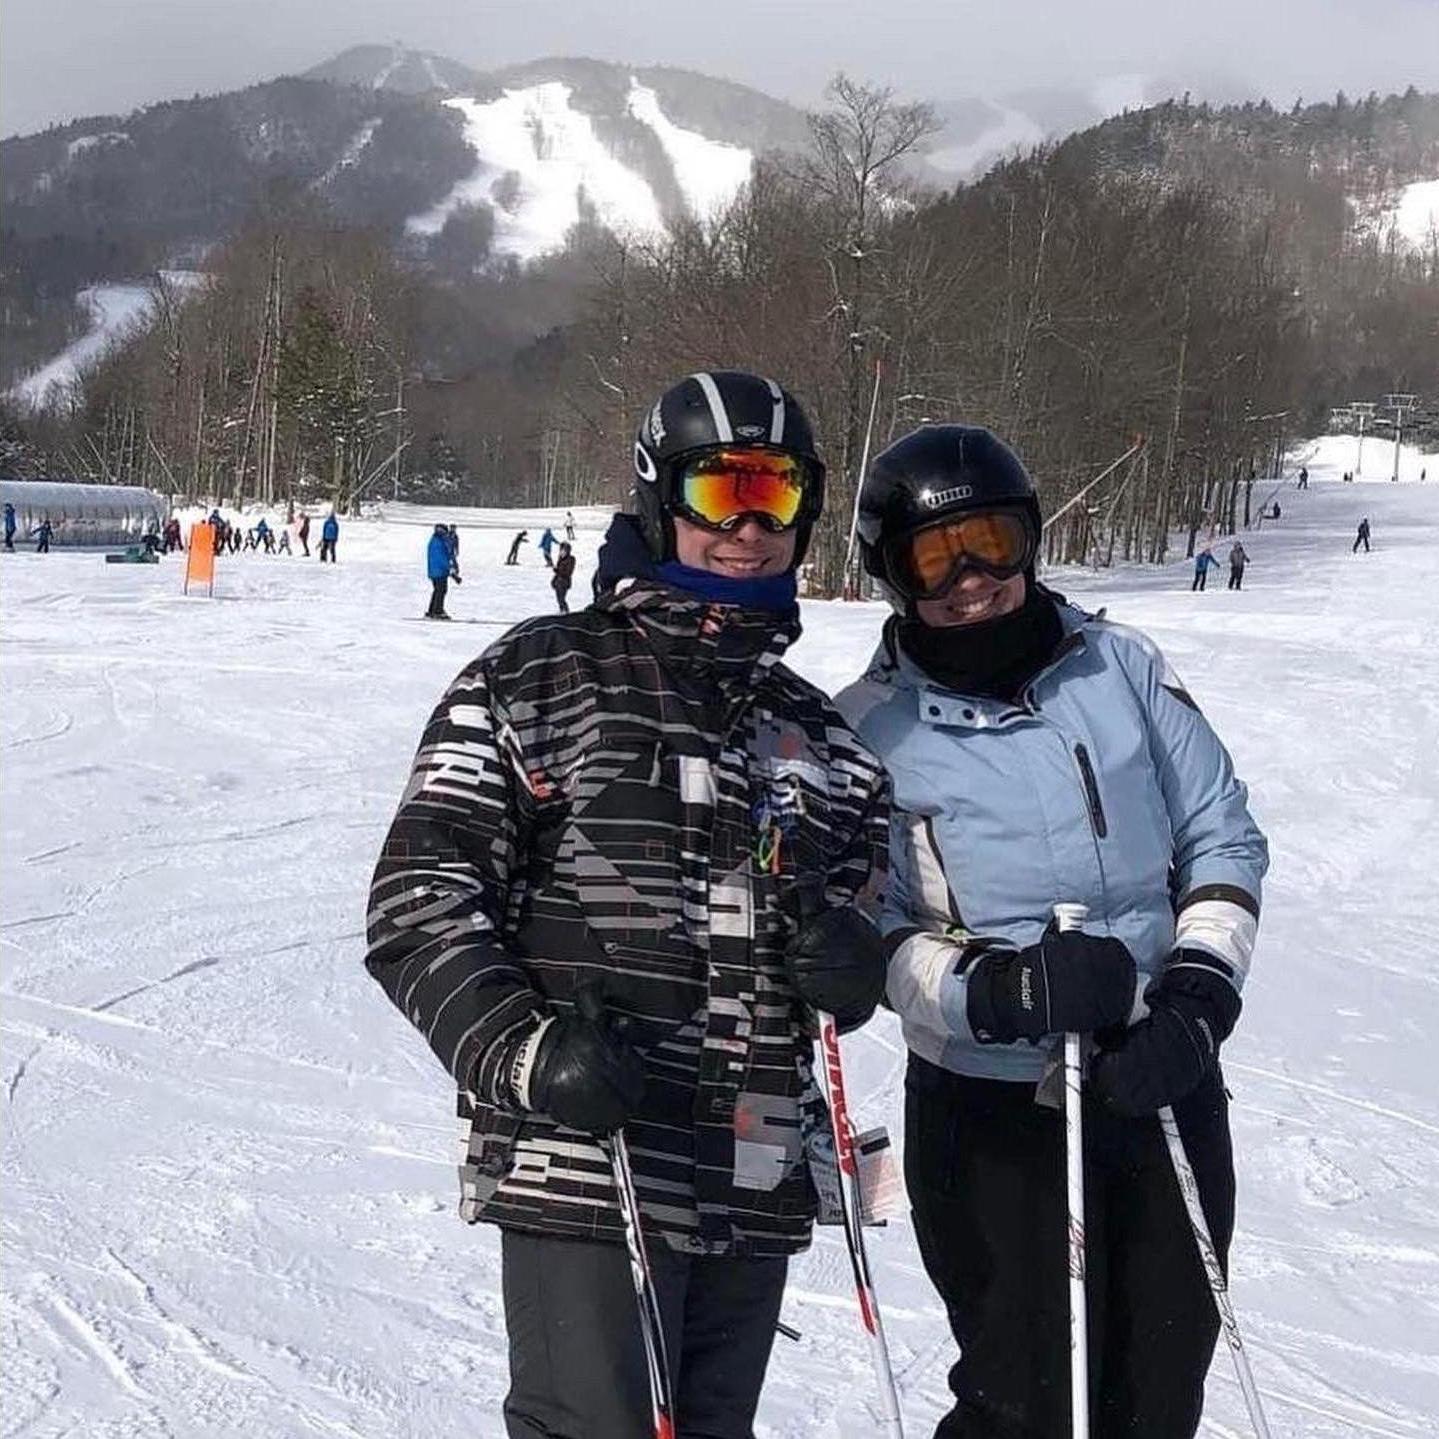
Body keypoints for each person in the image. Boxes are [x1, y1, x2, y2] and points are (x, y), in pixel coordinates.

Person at [365, 371, 891, 1439]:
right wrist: (523, 1050)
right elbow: (420, 897)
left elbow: (865, 901)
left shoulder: (823, 738)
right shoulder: (539, 676)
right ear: (659, 498)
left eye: (776, 493)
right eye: (719, 490)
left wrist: (853, 957)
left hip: (752, 1168)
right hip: (586, 1155)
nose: (747, 527)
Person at [838, 424, 1268, 1439]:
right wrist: (998, 990)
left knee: (1156, 1386)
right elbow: (870, 931)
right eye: (935, 558)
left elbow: (1220, 833)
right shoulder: (865, 729)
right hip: (991, 1104)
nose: (972, 580)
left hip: (1155, 1072)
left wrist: (1195, 997)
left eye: (991, 541)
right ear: (893, 573)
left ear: (1028, 537)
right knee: (1021, 1397)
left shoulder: (1117, 667)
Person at [425, 522, 456, 619]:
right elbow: (442, 558)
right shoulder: (438, 542)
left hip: (436, 571)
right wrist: (450, 569)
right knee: (441, 590)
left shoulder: (436, 540)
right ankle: (437, 611)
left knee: (438, 590)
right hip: (439, 571)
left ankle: (432, 610)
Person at [551, 540, 576, 612]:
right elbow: (558, 572)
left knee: (562, 599)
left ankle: (566, 611)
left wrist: (557, 570)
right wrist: (554, 580)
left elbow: (568, 572)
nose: (561, 552)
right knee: (559, 599)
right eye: (561, 550)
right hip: (558, 582)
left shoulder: (571, 559)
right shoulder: (560, 559)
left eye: (563, 550)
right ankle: (562, 610)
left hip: (564, 582)